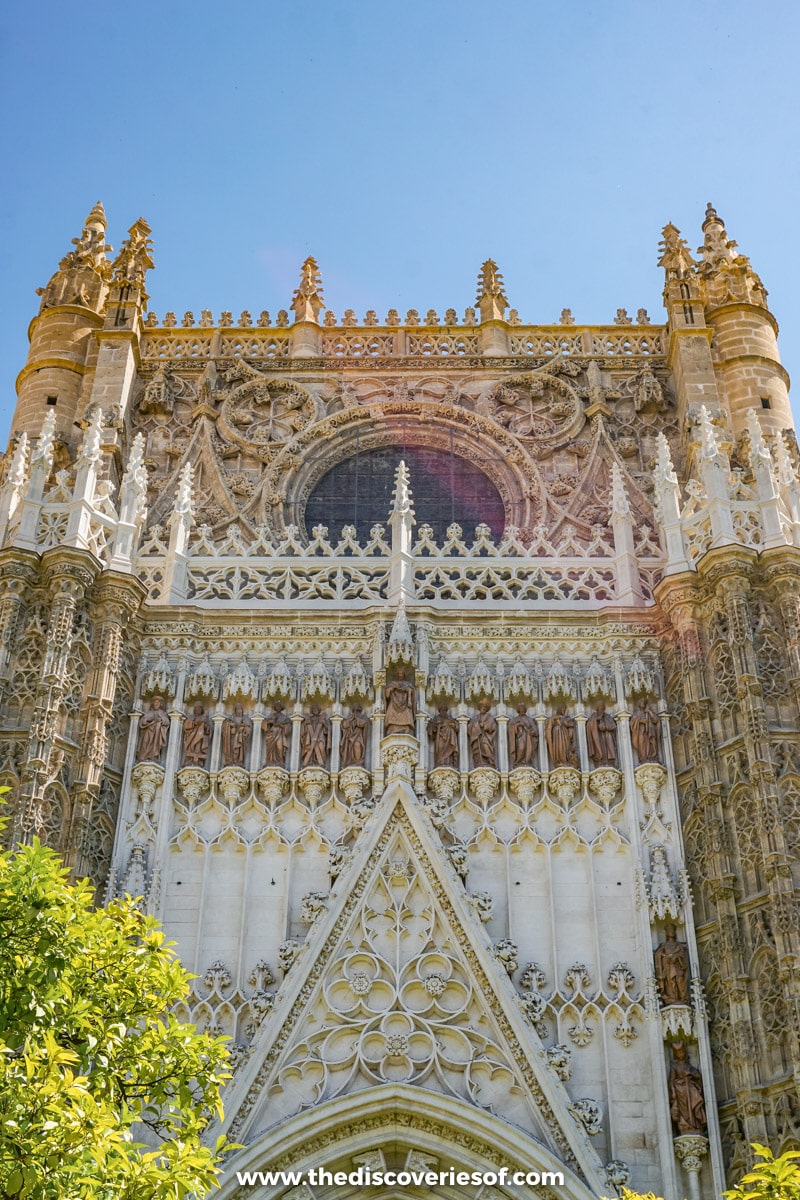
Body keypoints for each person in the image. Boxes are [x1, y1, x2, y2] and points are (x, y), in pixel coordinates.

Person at [668, 1041, 707, 1135]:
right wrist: (673, 1091)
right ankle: (685, 1124)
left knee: (695, 1098)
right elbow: (672, 1081)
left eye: (682, 1052)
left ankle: (695, 1123)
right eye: (678, 1053)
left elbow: (698, 1076)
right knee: (683, 1110)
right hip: (680, 1092)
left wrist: (691, 1074)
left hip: (689, 1089)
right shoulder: (675, 1066)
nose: (680, 1054)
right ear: (675, 1054)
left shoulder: (689, 1066)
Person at [655, 923, 690, 1007]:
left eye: (673, 930)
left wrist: (676, 956)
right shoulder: (664, 946)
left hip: (678, 967)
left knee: (680, 981)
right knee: (670, 983)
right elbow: (658, 955)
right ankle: (672, 998)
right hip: (668, 968)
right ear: (667, 933)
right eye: (670, 930)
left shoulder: (679, 945)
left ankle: (682, 999)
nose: (672, 932)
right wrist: (665, 957)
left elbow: (682, 954)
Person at [136, 695, 170, 763]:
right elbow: (142, 722)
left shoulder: (162, 713)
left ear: (160, 704)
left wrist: (160, 720)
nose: (156, 704)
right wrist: (147, 720)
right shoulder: (149, 712)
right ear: (152, 703)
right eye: (155, 702)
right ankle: (143, 756)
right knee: (145, 742)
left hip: (156, 733)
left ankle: (153, 756)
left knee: (155, 743)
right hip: (148, 730)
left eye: (158, 702)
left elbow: (166, 721)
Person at [384, 666, 416, 735]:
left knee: (408, 712)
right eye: (399, 673)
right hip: (394, 703)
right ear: (397, 674)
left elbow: (413, 693)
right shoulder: (393, 683)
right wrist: (392, 688)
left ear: (404, 675)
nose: (400, 675)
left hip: (405, 704)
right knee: (391, 711)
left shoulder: (408, 684)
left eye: (402, 673)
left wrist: (408, 690)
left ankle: (406, 728)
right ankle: (392, 728)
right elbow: (387, 695)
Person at [545, 703, 578, 767]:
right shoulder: (554, 717)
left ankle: (566, 760)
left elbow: (571, 724)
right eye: (562, 708)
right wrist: (553, 719)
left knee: (566, 747)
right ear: (559, 709)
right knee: (559, 747)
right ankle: (559, 760)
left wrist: (570, 732)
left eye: (564, 709)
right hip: (556, 734)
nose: (563, 710)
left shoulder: (567, 717)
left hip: (565, 734)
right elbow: (548, 724)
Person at [586, 701, 617, 767]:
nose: (601, 707)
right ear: (597, 707)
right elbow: (589, 725)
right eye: (600, 705)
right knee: (600, 748)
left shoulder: (607, 716)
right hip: (598, 738)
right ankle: (600, 761)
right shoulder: (593, 716)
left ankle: (609, 762)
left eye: (602, 705)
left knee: (608, 747)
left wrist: (605, 727)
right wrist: (596, 720)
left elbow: (613, 726)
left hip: (607, 736)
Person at [468, 699, 497, 768]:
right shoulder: (476, 717)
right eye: (482, 707)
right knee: (477, 749)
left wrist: (484, 725)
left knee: (486, 748)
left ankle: (489, 761)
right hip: (477, 737)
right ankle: (479, 762)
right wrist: (476, 725)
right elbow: (469, 727)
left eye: (485, 707)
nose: (483, 708)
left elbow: (493, 726)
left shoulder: (489, 717)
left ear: (487, 709)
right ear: (479, 708)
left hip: (486, 737)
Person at [508, 703, 538, 768]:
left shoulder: (529, 719)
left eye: (523, 709)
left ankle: (527, 762)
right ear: (518, 710)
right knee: (521, 748)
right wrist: (517, 725)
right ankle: (519, 762)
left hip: (528, 738)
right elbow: (511, 729)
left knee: (528, 750)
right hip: (520, 738)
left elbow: (535, 730)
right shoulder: (515, 719)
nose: (522, 710)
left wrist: (530, 732)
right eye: (520, 709)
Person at [428, 704, 459, 768]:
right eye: (442, 710)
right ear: (440, 711)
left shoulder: (449, 718)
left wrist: (453, 725)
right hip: (440, 737)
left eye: (445, 710)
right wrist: (436, 725)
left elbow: (456, 726)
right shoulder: (436, 718)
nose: (444, 712)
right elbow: (431, 728)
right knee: (440, 749)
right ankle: (440, 762)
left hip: (449, 737)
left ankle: (449, 762)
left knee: (449, 749)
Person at [221, 703, 252, 767]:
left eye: (240, 709)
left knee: (239, 749)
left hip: (241, 738)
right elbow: (224, 726)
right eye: (237, 709)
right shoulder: (231, 717)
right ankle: (231, 761)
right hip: (232, 737)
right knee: (232, 748)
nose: (239, 711)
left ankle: (239, 761)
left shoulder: (245, 718)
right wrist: (230, 726)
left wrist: (243, 728)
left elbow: (249, 728)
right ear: (235, 710)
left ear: (242, 710)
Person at [262, 700, 291, 767]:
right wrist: (271, 722)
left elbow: (288, 726)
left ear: (281, 708)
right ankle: (270, 761)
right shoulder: (272, 716)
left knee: (279, 747)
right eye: (276, 706)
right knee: (270, 748)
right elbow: (264, 723)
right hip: (272, 734)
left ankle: (280, 761)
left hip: (280, 734)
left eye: (279, 706)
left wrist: (280, 725)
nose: (278, 707)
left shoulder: (284, 717)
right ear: (275, 707)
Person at [300, 704, 331, 768]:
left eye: (316, 709)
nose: (315, 710)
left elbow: (328, 729)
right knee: (309, 748)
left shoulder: (322, 718)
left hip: (320, 736)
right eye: (313, 709)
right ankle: (310, 761)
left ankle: (321, 761)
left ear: (319, 710)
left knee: (321, 747)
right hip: (309, 737)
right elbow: (303, 729)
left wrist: (324, 723)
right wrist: (305, 723)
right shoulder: (309, 718)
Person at [183, 701, 212, 767]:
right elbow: (186, 726)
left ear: (202, 709)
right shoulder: (191, 717)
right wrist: (194, 723)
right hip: (191, 736)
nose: (198, 710)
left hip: (200, 737)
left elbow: (209, 729)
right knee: (191, 746)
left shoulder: (205, 718)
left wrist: (204, 726)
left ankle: (198, 760)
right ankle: (190, 760)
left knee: (199, 744)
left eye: (200, 708)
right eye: (196, 708)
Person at [340, 703, 367, 768]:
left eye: (358, 706)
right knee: (348, 748)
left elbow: (364, 723)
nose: (357, 708)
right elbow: (344, 725)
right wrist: (351, 721)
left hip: (358, 735)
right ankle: (349, 762)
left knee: (357, 745)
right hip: (349, 737)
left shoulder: (363, 716)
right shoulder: (350, 717)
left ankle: (358, 762)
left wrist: (357, 720)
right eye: (355, 706)